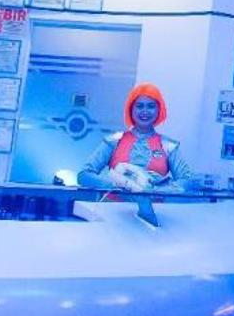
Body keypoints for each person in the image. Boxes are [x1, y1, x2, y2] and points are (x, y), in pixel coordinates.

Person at [67, 83, 188, 221]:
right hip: (113, 215)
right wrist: (114, 185)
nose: (145, 111)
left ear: (159, 110)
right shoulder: (114, 141)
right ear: (131, 109)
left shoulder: (168, 145)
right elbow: (84, 175)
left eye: (151, 106)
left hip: (153, 215)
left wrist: (160, 190)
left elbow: (186, 180)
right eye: (139, 106)